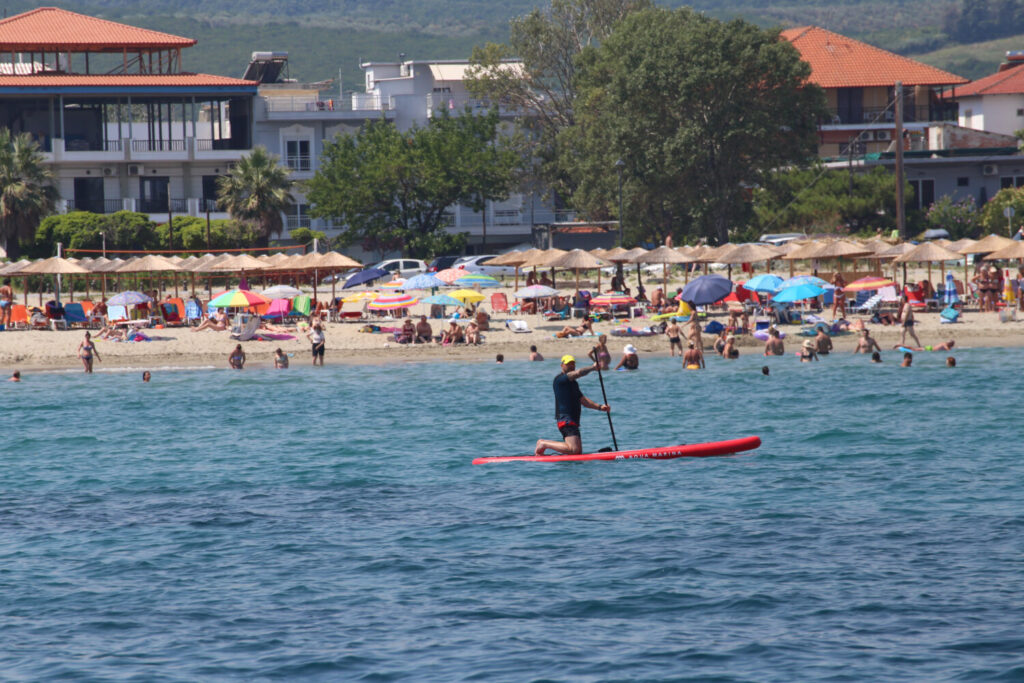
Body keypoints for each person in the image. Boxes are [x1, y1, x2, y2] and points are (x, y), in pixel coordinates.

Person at [534, 354, 610, 456]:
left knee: (576, 452)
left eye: (573, 364)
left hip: (573, 420)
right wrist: (592, 368)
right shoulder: (560, 380)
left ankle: (548, 447)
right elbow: (578, 373)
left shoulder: (574, 384)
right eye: (568, 364)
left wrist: (600, 407)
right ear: (562, 365)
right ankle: (543, 443)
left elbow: (583, 400)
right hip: (566, 420)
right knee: (574, 450)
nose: (571, 366)